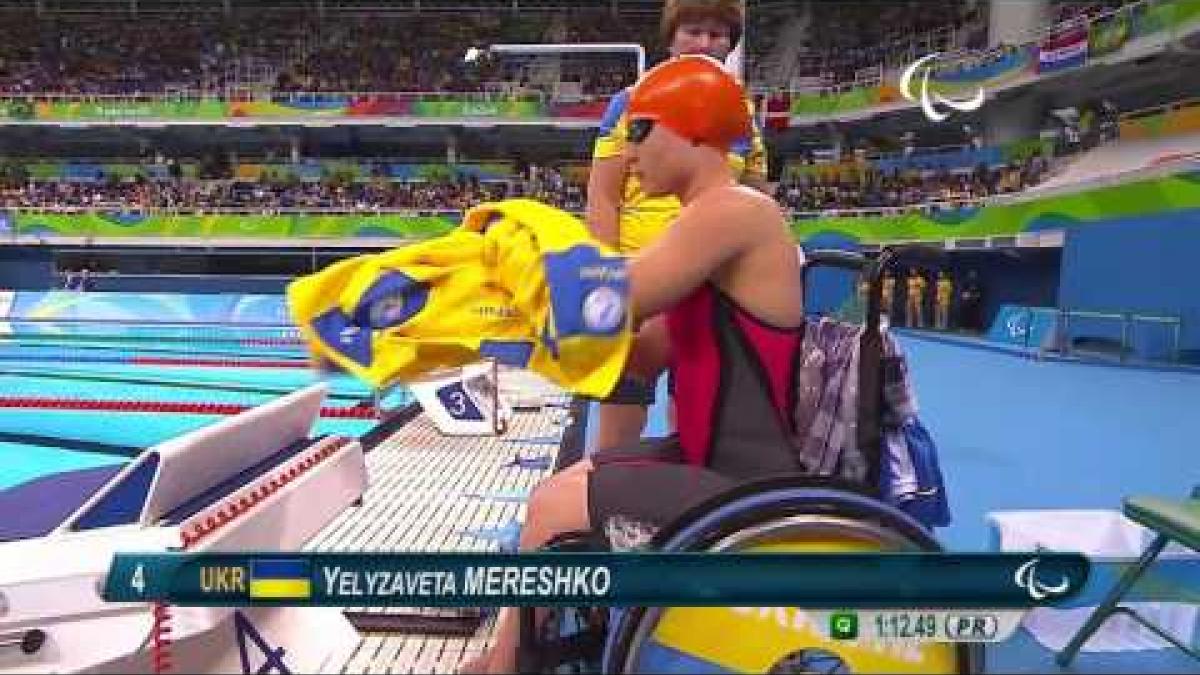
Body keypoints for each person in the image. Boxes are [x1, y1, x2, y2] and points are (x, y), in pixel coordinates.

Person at [461, 55, 802, 674]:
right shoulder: (706, 228)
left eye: (639, 130)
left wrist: (501, 274)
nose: (626, 149)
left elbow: (609, 303)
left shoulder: (734, 211)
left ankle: (505, 667)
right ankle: (505, 657)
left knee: (553, 513)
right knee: (555, 491)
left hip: (744, 478)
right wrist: (525, 343)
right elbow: (640, 356)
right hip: (705, 457)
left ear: (693, 130)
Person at [585, 0, 770, 453]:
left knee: (692, 426)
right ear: (670, 37)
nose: (705, 43)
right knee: (618, 426)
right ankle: (604, 490)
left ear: (731, 44)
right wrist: (609, 279)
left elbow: (759, 192)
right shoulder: (631, 104)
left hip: (708, 292)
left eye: (717, 34)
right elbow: (603, 196)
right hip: (639, 280)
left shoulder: (740, 112)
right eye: (693, 31)